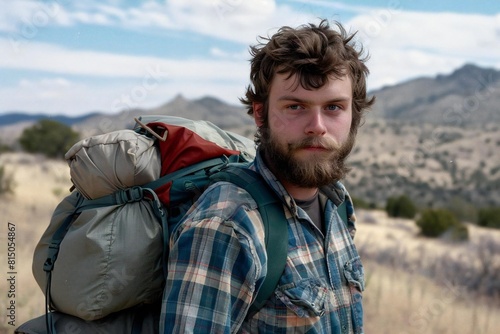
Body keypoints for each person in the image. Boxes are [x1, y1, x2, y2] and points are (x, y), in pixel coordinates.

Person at [160, 19, 375, 333]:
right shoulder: (227, 225)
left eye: (333, 107)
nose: (317, 125)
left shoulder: (337, 203)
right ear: (260, 114)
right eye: (295, 106)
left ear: (354, 114)